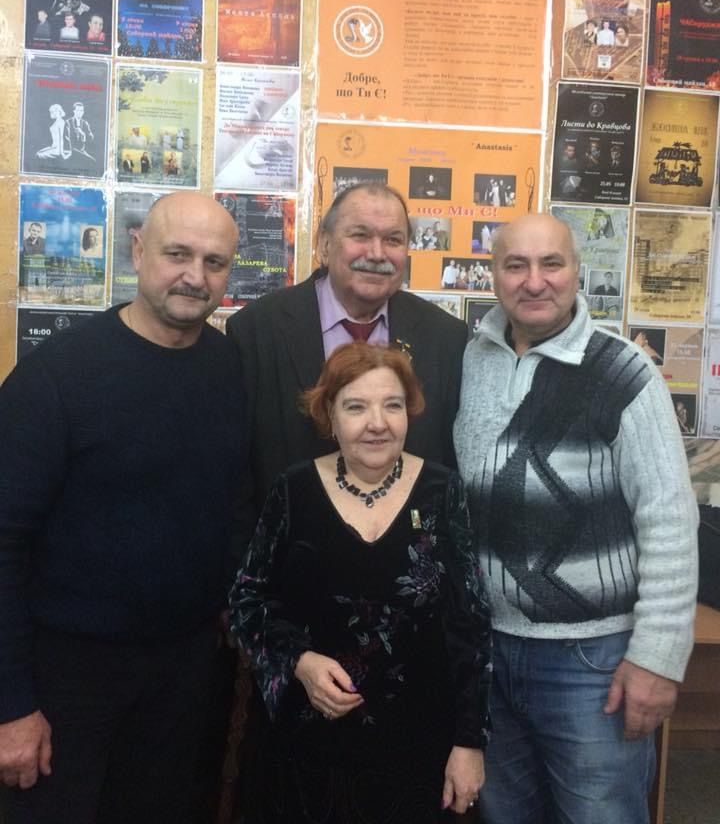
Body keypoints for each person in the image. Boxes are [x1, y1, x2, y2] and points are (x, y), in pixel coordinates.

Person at [0, 192, 248, 824]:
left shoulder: (229, 369)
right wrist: (10, 705)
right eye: (177, 254)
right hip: (65, 678)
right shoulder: (56, 377)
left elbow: (224, 503)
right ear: (137, 252)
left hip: (184, 674)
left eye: (214, 262)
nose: (195, 276)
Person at [453, 213, 698, 824]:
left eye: (551, 264)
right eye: (516, 265)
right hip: (489, 655)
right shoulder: (471, 359)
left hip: (592, 663)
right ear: (493, 275)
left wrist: (658, 658)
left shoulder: (623, 370)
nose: (535, 281)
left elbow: (669, 519)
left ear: (577, 272)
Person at [229, 341, 491, 823]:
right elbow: (247, 599)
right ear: (329, 414)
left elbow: (469, 623)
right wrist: (299, 661)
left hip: (419, 749)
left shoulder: (441, 490)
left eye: (392, 405)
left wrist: (469, 742)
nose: (377, 423)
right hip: (308, 748)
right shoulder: (294, 490)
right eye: (356, 407)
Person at [226, 182, 468, 548]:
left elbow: (446, 464)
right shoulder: (257, 329)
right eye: (360, 235)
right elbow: (237, 470)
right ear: (324, 245)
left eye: (393, 240)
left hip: (405, 561)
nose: (377, 253)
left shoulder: (445, 337)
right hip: (291, 558)